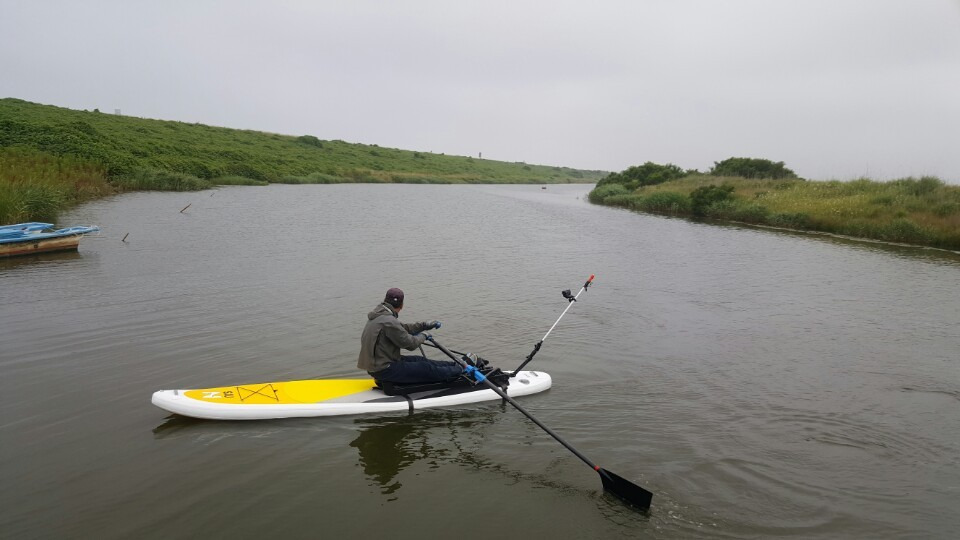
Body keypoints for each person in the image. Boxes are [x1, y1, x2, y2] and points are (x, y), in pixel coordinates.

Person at [358, 287, 463, 385]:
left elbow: (404, 328)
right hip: (384, 369)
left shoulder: (378, 316)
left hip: (378, 366)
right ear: (402, 305)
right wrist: (423, 335)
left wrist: (425, 325)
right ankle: (462, 371)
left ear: (385, 300)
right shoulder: (388, 321)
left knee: (419, 360)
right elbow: (411, 344)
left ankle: (456, 365)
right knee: (425, 367)